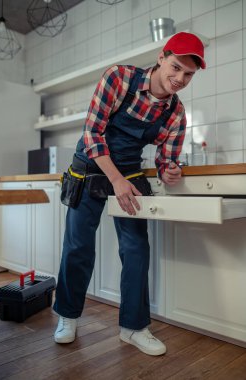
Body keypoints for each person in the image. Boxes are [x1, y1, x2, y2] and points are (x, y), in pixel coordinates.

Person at [53, 32, 206, 356]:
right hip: (91, 166)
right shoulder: (119, 78)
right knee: (78, 246)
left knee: (136, 248)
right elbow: (92, 133)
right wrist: (116, 179)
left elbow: (167, 159)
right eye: (176, 67)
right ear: (162, 57)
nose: (179, 78)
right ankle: (67, 316)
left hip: (130, 171)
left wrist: (170, 171)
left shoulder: (175, 113)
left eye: (188, 74)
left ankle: (134, 327)